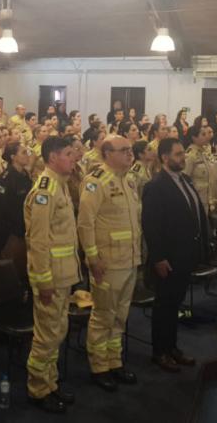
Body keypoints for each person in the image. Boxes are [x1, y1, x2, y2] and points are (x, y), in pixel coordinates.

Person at [77, 136, 140, 390]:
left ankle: (115, 362)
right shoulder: (95, 183)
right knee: (103, 316)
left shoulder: (129, 180)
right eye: (123, 150)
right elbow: (85, 224)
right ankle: (99, 366)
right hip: (108, 262)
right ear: (106, 153)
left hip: (130, 259)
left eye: (130, 149)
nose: (129, 154)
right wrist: (92, 258)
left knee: (121, 316)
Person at [25, 136, 79, 414]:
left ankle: (51, 383)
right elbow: (39, 241)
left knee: (58, 331)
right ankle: (37, 388)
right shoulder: (45, 190)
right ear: (53, 157)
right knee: (46, 335)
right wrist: (42, 281)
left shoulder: (61, 186)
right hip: (50, 277)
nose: (74, 158)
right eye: (69, 154)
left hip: (63, 274)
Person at [141, 138, 205, 372]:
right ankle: (160, 352)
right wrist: (158, 257)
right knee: (164, 306)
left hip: (185, 253)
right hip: (167, 256)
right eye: (178, 154)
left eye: (182, 154)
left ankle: (172, 347)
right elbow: (151, 225)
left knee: (175, 303)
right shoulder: (156, 186)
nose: (183, 158)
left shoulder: (185, 180)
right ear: (165, 158)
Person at [0, 142, 32, 274]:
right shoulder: (5, 180)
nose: (27, 155)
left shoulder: (24, 175)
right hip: (11, 235)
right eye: (23, 152)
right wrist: (2, 241)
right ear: (13, 157)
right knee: (12, 272)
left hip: (24, 231)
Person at [183, 125, 217, 215]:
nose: (207, 136)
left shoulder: (204, 152)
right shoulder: (190, 155)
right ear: (194, 138)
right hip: (196, 199)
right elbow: (185, 178)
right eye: (203, 134)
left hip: (206, 198)